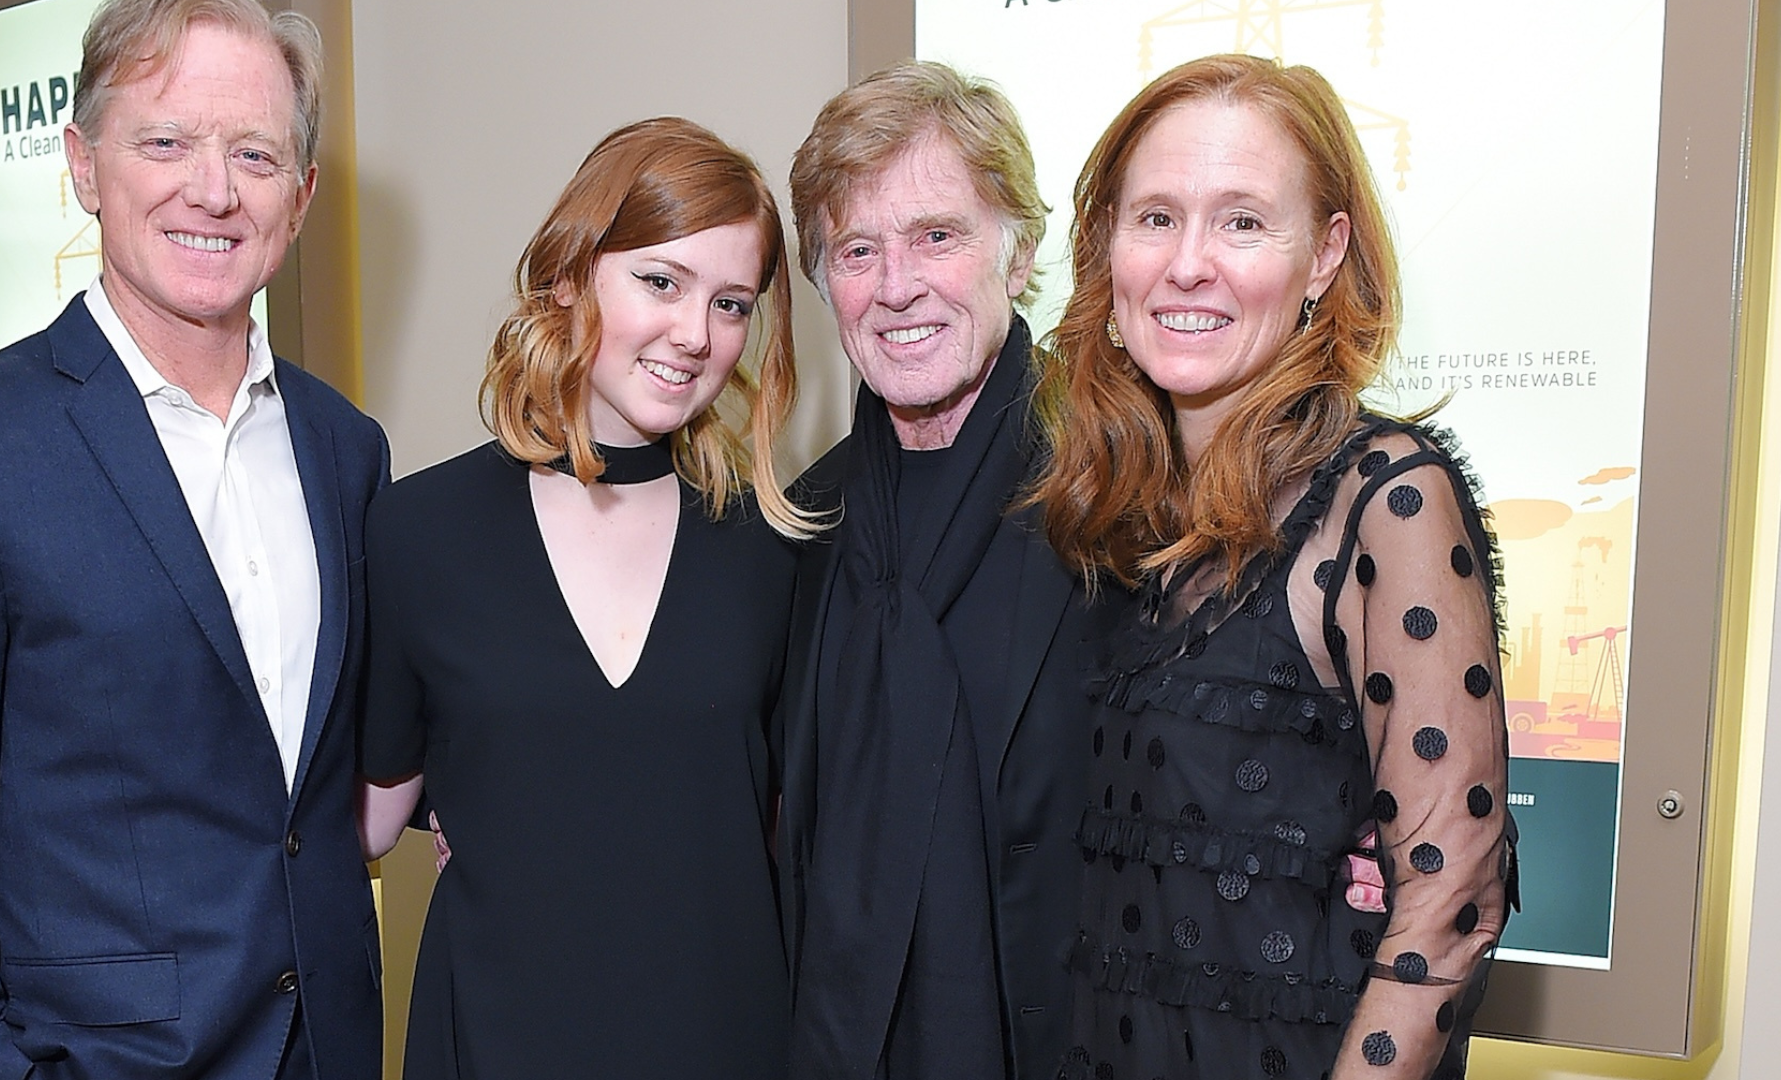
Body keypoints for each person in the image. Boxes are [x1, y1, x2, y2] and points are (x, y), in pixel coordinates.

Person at [0, 2, 387, 1078]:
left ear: (302, 193)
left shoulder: (348, 448)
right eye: (165, 141)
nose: (213, 189)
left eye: (255, 152)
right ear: (84, 165)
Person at [1032, 55, 1514, 1080]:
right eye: (1154, 217)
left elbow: (1451, 904)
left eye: (1242, 220)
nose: (1188, 263)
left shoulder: (1387, 502)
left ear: (1325, 253)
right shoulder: (1106, 506)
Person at [356, 117, 807, 1080]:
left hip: (723, 1040)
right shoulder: (418, 531)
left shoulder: (774, 545)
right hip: (495, 1038)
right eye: (660, 281)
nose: (695, 334)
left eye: (731, 303)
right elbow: (368, 819)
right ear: (570, 274)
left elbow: (786, 823)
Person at [775, 61, 1100, 1080]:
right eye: (858, 250)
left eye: (937, 236)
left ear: (1018, 253)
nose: (898, 285)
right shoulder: (795, 526)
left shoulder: (1121, 500)